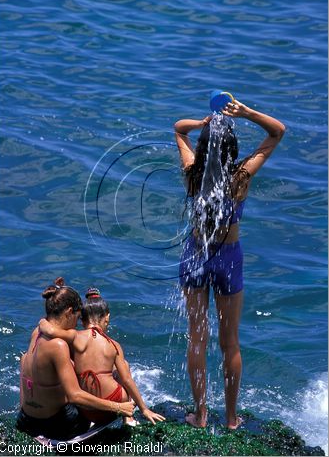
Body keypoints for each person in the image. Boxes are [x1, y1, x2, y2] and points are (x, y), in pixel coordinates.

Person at [174, 98, 285, 429]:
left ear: (204, 147)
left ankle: (201, 415)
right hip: (228, 259)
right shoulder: (241, 176)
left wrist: (202, 123)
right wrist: (247, 112)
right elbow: (277, 132)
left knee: (197, 338)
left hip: (195, 255)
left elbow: (179, 129)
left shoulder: (192, 173)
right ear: (233, 148)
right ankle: (233, 417)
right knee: (230, 342)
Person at [16, 277, 135, 440]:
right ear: (68, 312)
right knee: (113, 374)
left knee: (29, 360)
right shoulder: (58, 345)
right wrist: (118, 407)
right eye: (77, 317)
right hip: (56, 425)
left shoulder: (37, 332)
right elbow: (75, 396)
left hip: (25, 419)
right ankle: (128, 417)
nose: (77, 324)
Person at [39, 287, 165, 426]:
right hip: (114, 408)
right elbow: (127, 380)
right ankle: (128, 419)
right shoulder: (113, 345)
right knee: (124, 368)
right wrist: (144, 409)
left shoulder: (75, 337)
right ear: (107, 318)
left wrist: (42, 321)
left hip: (86, 410)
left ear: (82, 320)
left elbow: (49, 330)